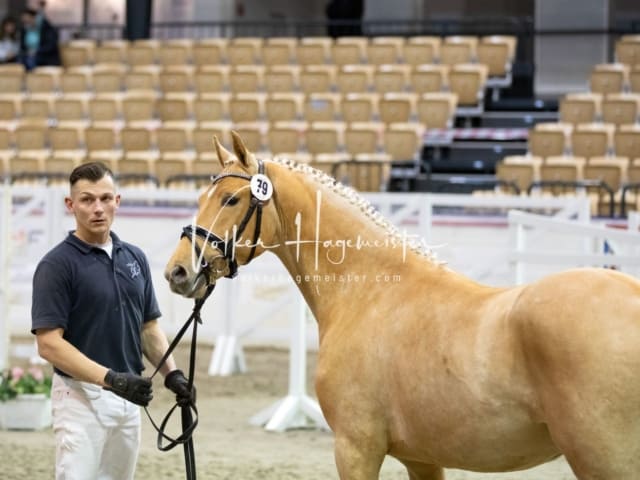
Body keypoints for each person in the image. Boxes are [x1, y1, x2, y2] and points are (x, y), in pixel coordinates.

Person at [31, 162, 194, 480]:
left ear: (117, 201)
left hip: (128, 398)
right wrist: (111, 379)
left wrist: (172, 375)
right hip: (80, 398)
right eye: (87, 200)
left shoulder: (135, 258)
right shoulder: (56, 265)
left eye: (105, 198)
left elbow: (148, 328)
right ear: (70, 204)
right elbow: (49, 344)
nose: (98, 208)